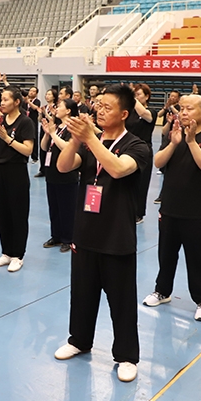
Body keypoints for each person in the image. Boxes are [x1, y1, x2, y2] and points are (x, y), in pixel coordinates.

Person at [54, 84, 151, 383]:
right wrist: (75, 139)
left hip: (116, 235)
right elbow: (63, 166)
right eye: (98, 105)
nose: (99, 110)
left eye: (107, 107)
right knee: (81, 293)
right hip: (85, 232)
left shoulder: (137, 146)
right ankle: (79, 341)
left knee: (121, 300)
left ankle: (126, 355)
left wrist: (91, 139)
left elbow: (119, 169)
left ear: (124, 113)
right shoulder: (87, 142)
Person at [144, 94, 201, 323]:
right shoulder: (174, 134)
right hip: (170, 207)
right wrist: (175, 143)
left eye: (189, 108)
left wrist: (190, 142)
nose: (184, 112)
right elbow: (158, 162)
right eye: (182, 108)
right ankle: (162, 291)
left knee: (198, 258)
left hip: (196, 211)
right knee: (166, 254)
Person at [0, 86, 35, 273]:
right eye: (1, 99)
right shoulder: (1, 121)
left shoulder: (25, 122)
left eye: (6, 99)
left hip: (17, 172)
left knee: (18, 214)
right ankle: (6, 252)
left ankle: (18, 255)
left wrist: (7, 139)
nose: (2, 103)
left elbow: (28, 150)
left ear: (16, 102)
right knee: (3, 213)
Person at [40, 98, 80, 253]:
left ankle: (68, 238)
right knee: (54, 207)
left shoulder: (72, 127)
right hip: (52, 173)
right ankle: (56, 235)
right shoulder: (56, 127)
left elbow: (68, 148)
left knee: (67, 208)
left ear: (68, 110)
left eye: (60, 106)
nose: (56, 108)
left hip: (67, 174)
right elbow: (44, 147)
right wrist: (47, 134)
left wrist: (53, 135)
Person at [125, 83, 156, 224]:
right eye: (135, 94)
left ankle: (139, 213)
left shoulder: (152, 112)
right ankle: (126, 209)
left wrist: (132, 97)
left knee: (141, 183)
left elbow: (144, 114)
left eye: (139, 94)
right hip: (128, 148)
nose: (136, 97)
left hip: (143, 151)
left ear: (147, 96)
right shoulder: (130, 112)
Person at [24, 87, 41, 162]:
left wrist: (29, 102)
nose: (31, 92)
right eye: (30, 90)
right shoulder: (24, 101)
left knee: (34, 138)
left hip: (33, 122)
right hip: (25, 122)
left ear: (36, 93)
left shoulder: (37, 101)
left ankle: (35, 157)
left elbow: (35, 108)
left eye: (34, 91)